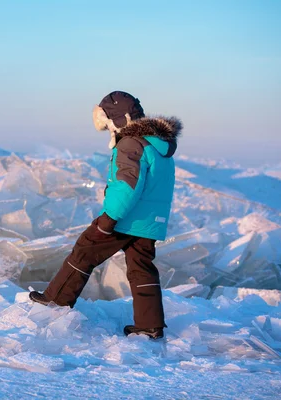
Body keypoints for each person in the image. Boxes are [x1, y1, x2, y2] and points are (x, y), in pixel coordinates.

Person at [29, 91, 182, 339]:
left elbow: (126, 187)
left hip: (125, 217)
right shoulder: (158, 146)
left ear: (116, 119)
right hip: (149, 220)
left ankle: (55, 302)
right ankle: (149, 325)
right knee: (141, 268)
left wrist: (108, 219)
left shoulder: (132, 143)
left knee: (84, 250)